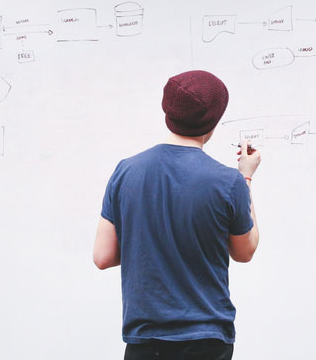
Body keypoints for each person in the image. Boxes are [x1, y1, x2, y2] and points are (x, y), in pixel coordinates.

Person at [93, 70, 261, 360]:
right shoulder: (228, 182)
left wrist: (152, 241)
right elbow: (244, 252)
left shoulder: (126, 171)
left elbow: (103, 256)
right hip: (206, 341)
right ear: (214, 120)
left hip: (145, 342)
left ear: (167, 111)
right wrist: (245, 178)